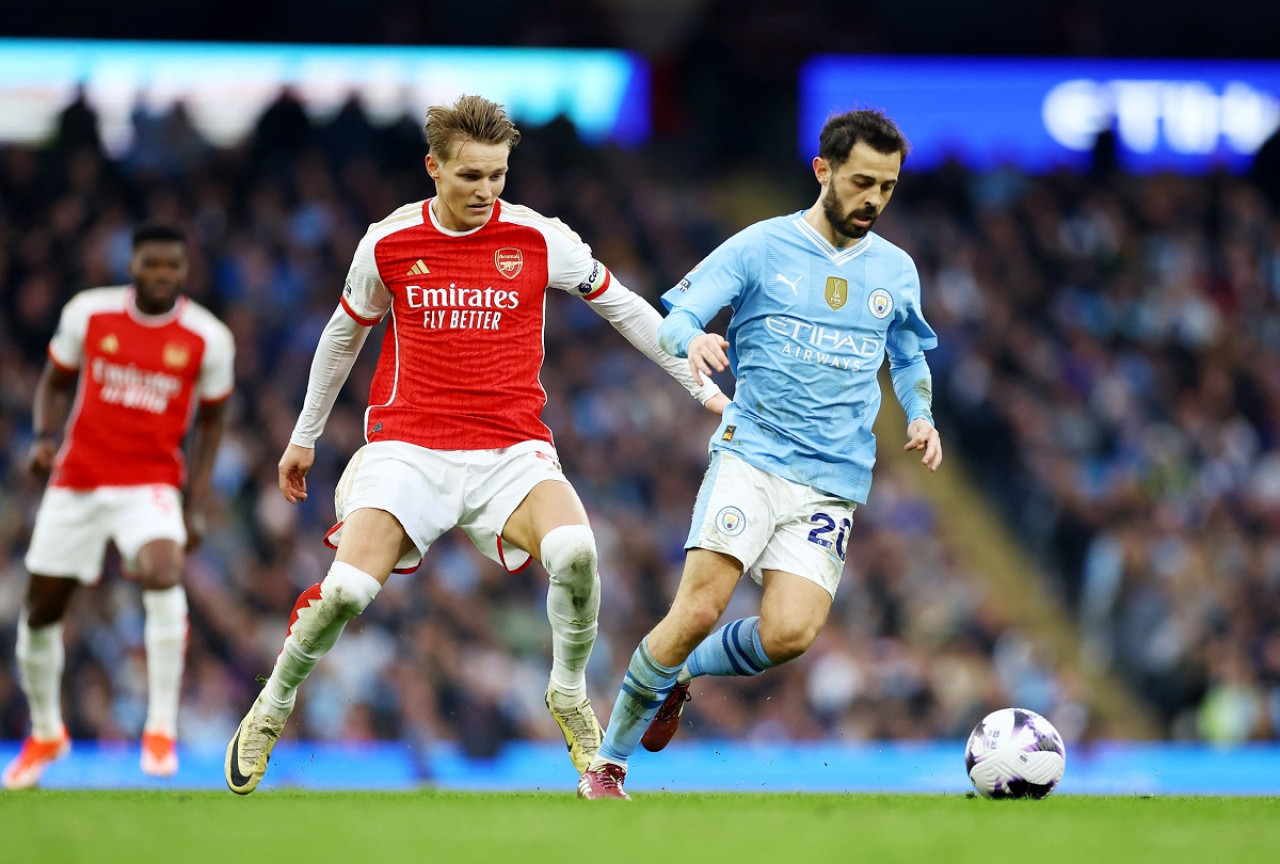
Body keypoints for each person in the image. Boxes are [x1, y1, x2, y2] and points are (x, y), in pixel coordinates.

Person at [224, 94, 727, 794]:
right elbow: (344, 336)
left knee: (578, 553)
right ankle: (272, 704)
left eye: (497, 175)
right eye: (470, 177)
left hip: (511, 450)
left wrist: (702, 390)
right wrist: (304, 436)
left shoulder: (540, 238)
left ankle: (568, 692)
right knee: (345, 592)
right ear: (434, 168)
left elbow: (626, 310)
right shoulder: (390, 243)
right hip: (410, 448)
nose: (487, 191)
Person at [578, 108, 943, 799]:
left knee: (790, 634)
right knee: (696, 611)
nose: (874, 199)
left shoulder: (896, 270)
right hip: (753, 455)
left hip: (832, 480)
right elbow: (677, 317)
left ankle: (681, 677)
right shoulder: (759, 248)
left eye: (888, 187)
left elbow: (909, 355)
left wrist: (922, 414)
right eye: (863, 181)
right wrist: (692, 340)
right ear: (823, 170)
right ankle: (608, 763)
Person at [2, 223, 234, 789]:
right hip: (77, 479)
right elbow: (56, 382)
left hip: (149, 483)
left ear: (185, 271)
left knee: (163, 570)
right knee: (40, 614)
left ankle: (159, 730)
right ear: (132, 265)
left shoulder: (208, 338)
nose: (162, 276)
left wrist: (195, 502)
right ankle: (47, 732)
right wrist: (44, 437)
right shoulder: (89, 314)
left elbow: (211, 424)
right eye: (152, 265)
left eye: (172, 267)